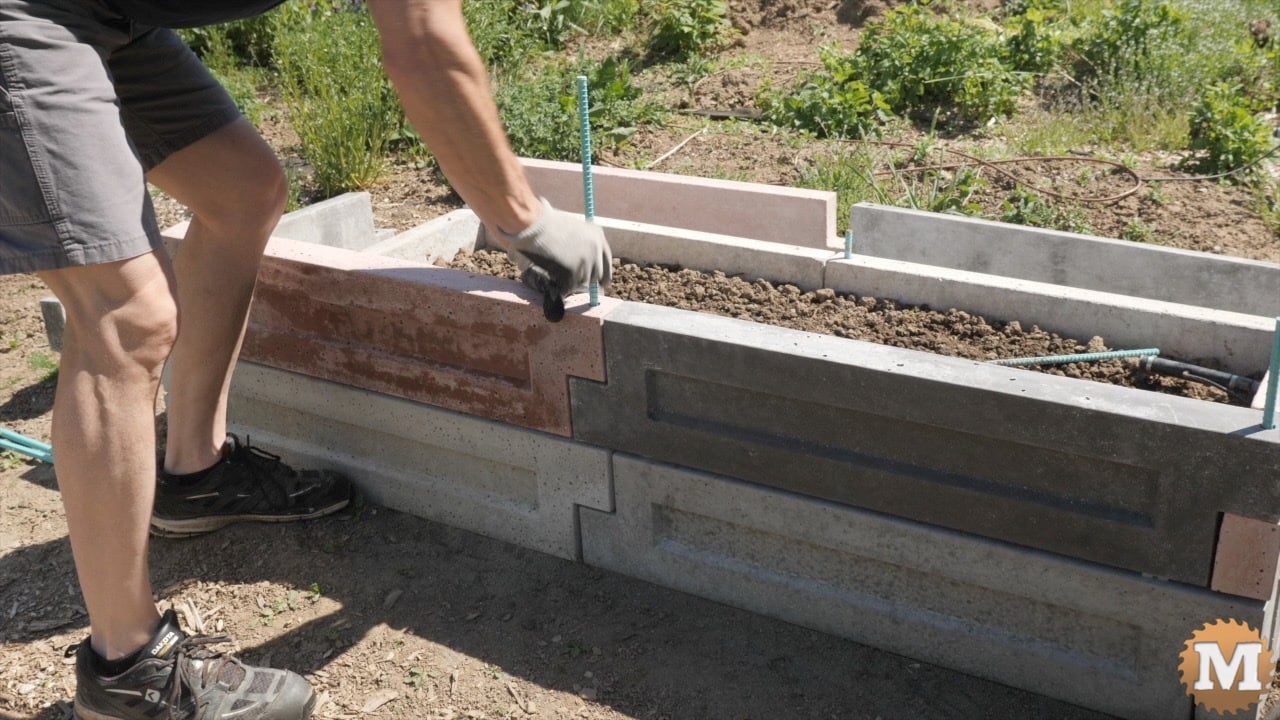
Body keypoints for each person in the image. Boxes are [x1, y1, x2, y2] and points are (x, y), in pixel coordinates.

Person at [0, 0, 612, 718]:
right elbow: (425, 49)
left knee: (241, 189)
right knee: (124, 314)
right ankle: (128, 673)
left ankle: (194, 476)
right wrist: (525, 219)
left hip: (109, 13)